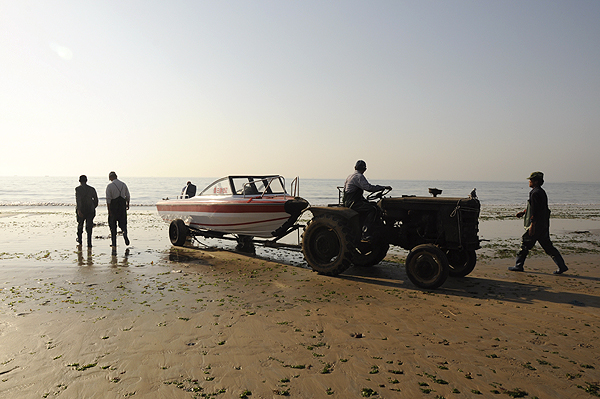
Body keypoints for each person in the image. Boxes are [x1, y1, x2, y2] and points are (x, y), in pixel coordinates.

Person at [509, 171, 568, 275]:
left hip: (537, 225)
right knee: (548, 246)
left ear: (536, 181)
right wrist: (523, 212)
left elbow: (536, 211)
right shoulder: (540, 192)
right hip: (543, 224)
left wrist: (532, 225)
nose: (529, 182)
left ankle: (518, 266)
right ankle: (562, 266)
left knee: (525, 244)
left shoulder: (535, 193)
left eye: (531, 180)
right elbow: (534, 207)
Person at [343, 160, 392, 241]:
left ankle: (376, 229)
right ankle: (366, 233)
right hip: (353, 203)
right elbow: (369, 188)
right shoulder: (359, 176)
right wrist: (383, 187)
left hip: (350, 201)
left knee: (374, 205)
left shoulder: (350, 176)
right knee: (373, 210)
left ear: (355, 167)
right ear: (365, 169)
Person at [106, 171, 131, 247]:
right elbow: (128, 195)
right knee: (123, 223)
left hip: (114, 207)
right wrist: (127, 204)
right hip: (122, 207)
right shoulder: (123, 184)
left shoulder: (109, 186)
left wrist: (109, 210)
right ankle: (124, 233)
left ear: (110, 177)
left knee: (112, 225)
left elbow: (108, 200)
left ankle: (114, 243)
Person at [75, 175, 98, 247]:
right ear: (86, 180)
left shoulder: (78, 189)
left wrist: (79, 209)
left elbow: (78, 200)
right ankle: (89, 242)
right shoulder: (92, 189)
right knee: (89, 227)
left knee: (80, 225)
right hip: (90, 210)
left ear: (79, 181)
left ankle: (80, 240)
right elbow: (96, 200)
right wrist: (93, 207)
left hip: (81, 209)